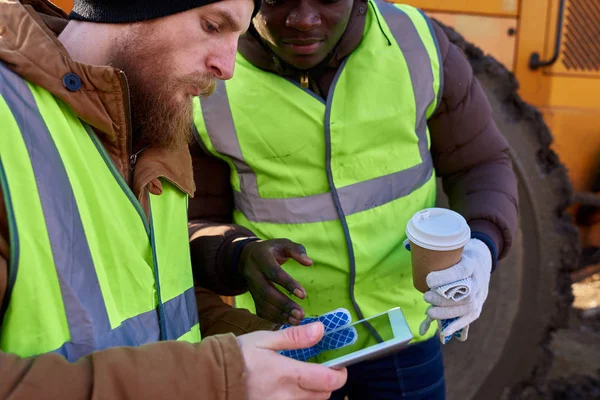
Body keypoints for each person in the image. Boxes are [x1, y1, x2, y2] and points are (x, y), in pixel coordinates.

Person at [0, 0, 347, 399]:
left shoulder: (154, 124)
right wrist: (215, 377)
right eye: (213, 25)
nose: (228, 68)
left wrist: (262, 345)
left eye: (239, 37)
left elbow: (151, 307)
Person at [189, 0, 519, 397]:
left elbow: (480, 162)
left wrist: (481, 248)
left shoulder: (416, 42)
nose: (304, 20)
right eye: (276, 0)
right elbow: (194, 220)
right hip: (285, 343)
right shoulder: (206, 72)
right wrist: (237, 255)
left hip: (404, 336)